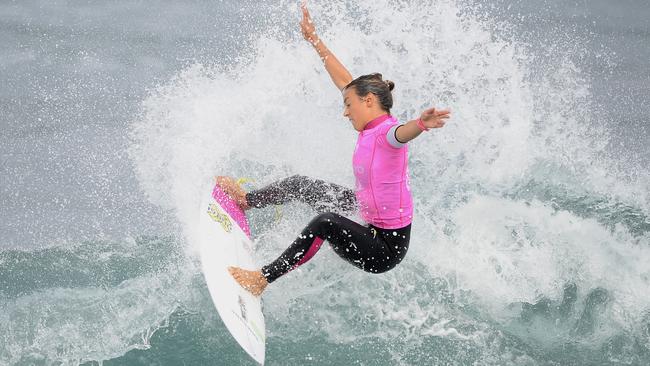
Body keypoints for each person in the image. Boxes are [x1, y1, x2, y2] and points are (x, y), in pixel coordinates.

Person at [220, 3, 450, 296]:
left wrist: (422, 123)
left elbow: (403, 134)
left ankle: (261, 280)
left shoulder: (387, 134)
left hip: (383, 248)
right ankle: (245, 200)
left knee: (325, 222)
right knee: (301, 185)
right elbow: (345, 81)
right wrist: (314, 40)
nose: (345, 112)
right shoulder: (369, 124)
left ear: (368, 102)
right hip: (366, 214)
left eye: (348, 105)